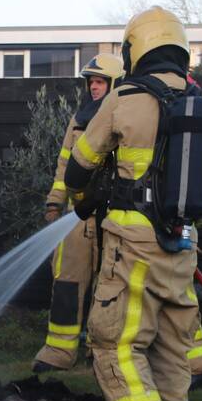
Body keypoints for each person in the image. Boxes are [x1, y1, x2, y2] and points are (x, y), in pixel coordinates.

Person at [64, 6, 202, 401]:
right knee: (172, 351)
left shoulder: (125, 97)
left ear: (137, 48)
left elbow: (79, 165)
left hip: (132, 242)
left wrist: (85, 196)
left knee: (113, 343)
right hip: (182, 244)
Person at [33, 53, 124, 373]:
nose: (94, 88)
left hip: (114, 217)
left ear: (115, 85)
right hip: (78, 216)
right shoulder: (79, 119)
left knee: (109, 286)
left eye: (100, 82)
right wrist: (55, 202)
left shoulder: (126, 117)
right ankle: (58, 350)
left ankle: (99, 351)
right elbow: (64, 166)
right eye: (91, 82)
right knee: (67, 280)